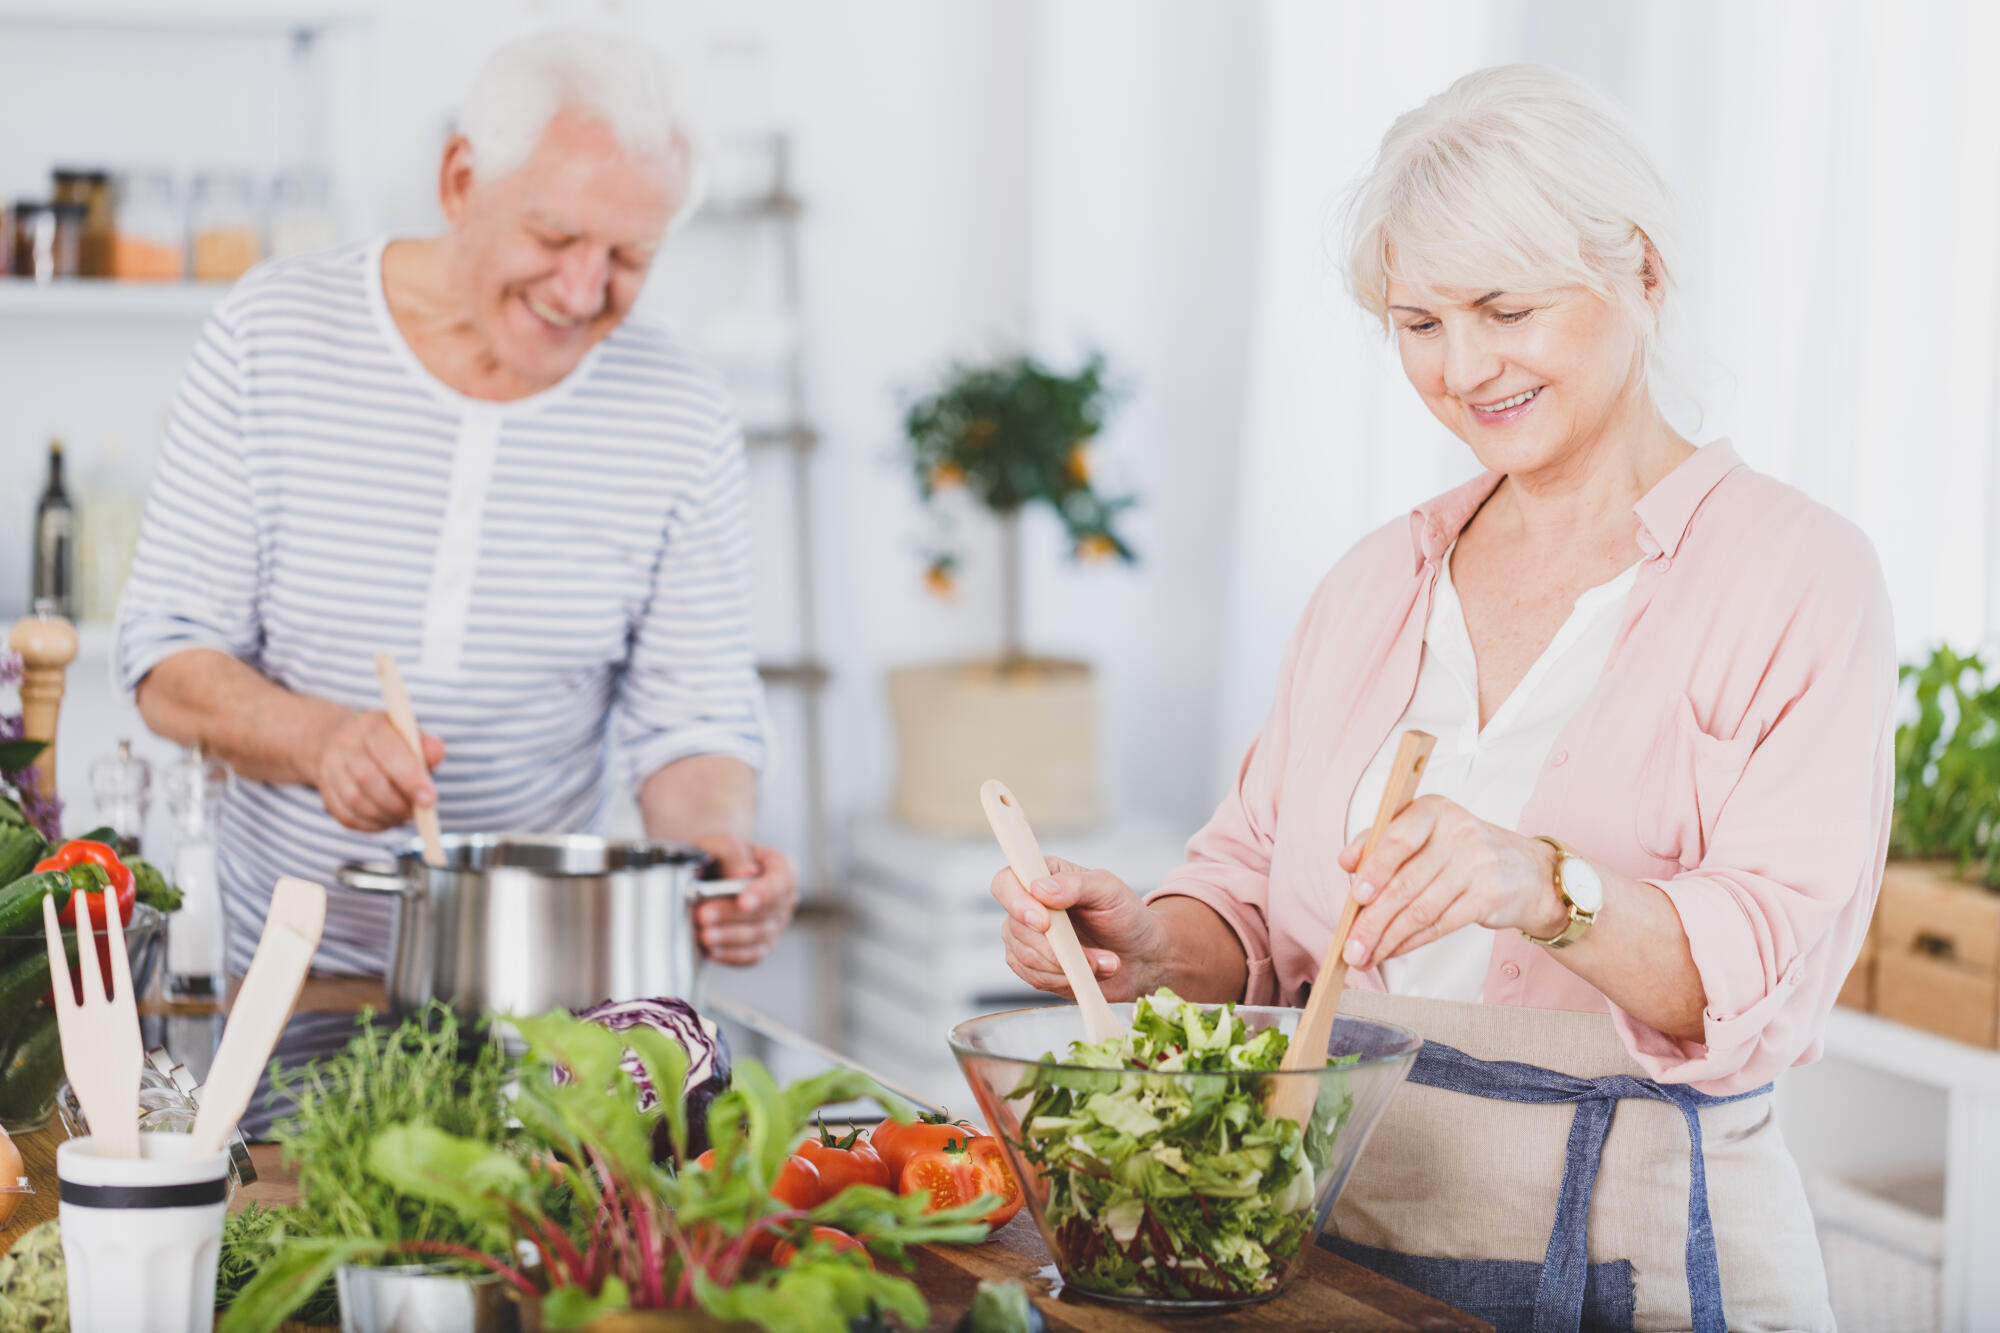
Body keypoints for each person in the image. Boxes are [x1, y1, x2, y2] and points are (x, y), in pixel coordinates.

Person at [991, 64, 1889, 1332]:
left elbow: (1761, 976)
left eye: (1503, 309)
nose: (1462, 367)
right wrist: (1146, 944)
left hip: (1644, 1264)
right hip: (1350, 1251)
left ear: (1638, 271)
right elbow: (1252, 899)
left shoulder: (1796, 573)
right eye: (1418, 323)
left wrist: (1542, 885)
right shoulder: (1376, 579)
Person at [116, 29, 795, 978]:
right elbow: (168, 662)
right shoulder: (270, 333)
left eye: (630, 255)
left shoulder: (680, 410)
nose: (583, 288)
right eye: (554, 236)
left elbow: (695, 720)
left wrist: (720, 858)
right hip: (273, 974)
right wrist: (324, 743)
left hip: (546, 988)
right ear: (460, 179)